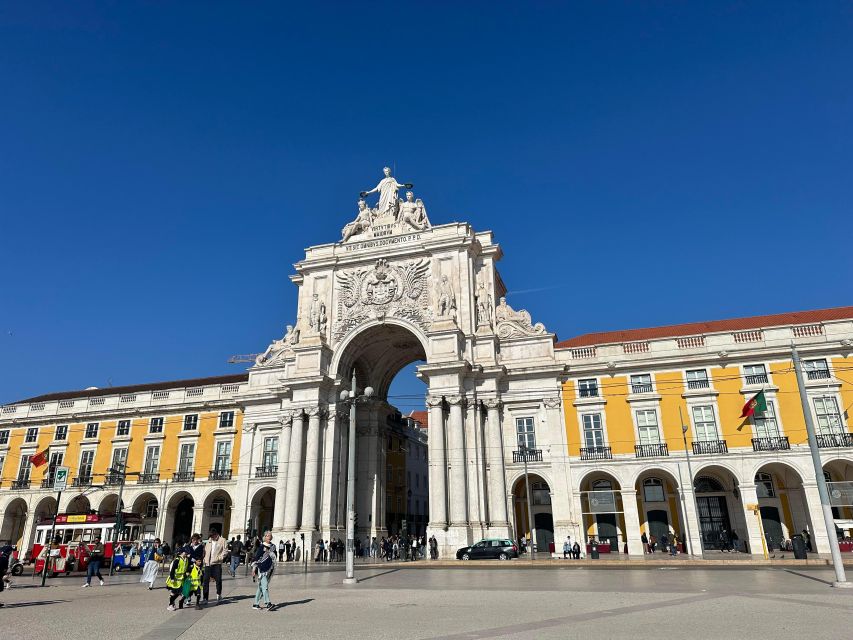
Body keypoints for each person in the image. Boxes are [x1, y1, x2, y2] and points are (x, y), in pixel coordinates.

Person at [251, 532, 276, 610]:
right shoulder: (262, 547)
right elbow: (256, 558)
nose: (269, 537)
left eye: (270, 536)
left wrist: (271, 554)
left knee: (261, 587)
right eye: (267, 536)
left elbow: (275, 556)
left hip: (270, 569)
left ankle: (255, 604)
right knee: (265, 586)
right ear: (264, 537)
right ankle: (268, 603)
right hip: (262, 569)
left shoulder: (273, 546)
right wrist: (254, 568)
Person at [203, 529, 227, 604]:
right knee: (206, 581)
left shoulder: (222, 540)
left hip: (217, 563)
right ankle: (205, 598)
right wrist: (204, 559)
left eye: (213, 536)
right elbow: (206, 551)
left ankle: (218, 594)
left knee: (218, 580)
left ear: (216, 534)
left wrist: (219, 558)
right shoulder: (209, 541)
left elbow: (225, 551)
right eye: (210, 536)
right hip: (208, 564)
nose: (212, 537)